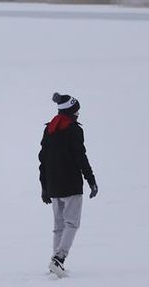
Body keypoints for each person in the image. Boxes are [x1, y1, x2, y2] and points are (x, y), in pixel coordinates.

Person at [38, 92, 98, 277]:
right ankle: (59, 259)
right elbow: (81, 157)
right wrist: (91, 180)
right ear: (72, 112)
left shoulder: (49, 130)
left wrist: (45, 187)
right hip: (71, 185)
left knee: (59, 226)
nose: (78, 114)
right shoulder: (74, 130)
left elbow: (43, 161)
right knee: (72, 223)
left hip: (54, 185)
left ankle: (54, 262)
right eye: (77, 111)